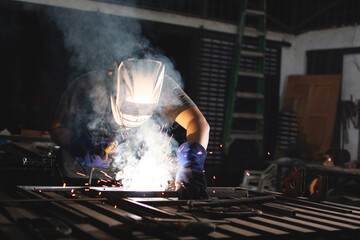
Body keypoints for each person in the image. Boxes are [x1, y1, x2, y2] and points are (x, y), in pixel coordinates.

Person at [51, 58, 210, 199]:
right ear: (114, 91)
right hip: (79, 179)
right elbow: (58, 128)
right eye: (128, 107)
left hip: (128, 180)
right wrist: (81, 146)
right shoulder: (86, 86)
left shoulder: (164, 87)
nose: (135, 114)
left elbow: (198, 123)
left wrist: (192, 162)